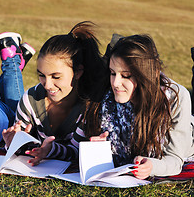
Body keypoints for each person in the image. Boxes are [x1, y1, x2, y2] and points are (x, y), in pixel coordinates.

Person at [78, 34, 194, 179]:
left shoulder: (174, 97)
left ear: (144, 76)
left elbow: (175, 159)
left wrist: (152, 166)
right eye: (113, 73)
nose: (115, 83)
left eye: (126, 76)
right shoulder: (108, 98)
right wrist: (99, 150)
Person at [2, 21, 107, 165]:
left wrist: (50, 150)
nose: (47, 85)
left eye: (56, 77)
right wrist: (13, 143)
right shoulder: (30, 99)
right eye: (42, 75)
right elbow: (23, 149)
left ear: (78, 72)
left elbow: (77, 152)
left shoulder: (89, 105)